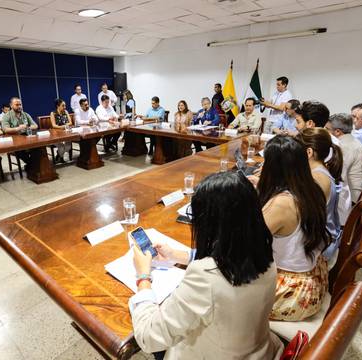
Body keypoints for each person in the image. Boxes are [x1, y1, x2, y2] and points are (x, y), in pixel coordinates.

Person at [130, 171, 283, 359]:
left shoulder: (205, 277)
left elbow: (148, 337)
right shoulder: (263, 252)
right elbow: (228, 258)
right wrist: (177, 255)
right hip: (258, 350)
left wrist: (143, 277)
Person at [255, 135, 329, 321]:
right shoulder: (312, 188)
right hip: (313, 278)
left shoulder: (281, 204)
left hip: (291, 292)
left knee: (217, 288)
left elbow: (244, 243)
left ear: (273, 168)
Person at [296, 128, 343, 265]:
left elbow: (299, 217)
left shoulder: (317, 179)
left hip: (321, 249)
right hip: (326, 238)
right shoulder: (321, 170)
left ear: (309, 152)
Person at [326, 114, 362, 222]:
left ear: (338, 132)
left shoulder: (344, 147)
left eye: (327, 129)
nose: (325, 132)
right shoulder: (351, 141)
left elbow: (338, 178)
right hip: (354, 192)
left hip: (351, 200)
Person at [2, 97, 38, 165]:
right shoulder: (7, 116)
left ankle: (35, 166)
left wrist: (28, 127)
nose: (19, 106)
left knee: (38, 148)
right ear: (11, 105)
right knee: (21, 151)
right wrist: (18, 128)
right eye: (17, 105)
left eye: (20, 104)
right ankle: (32, 166)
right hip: (15, 141)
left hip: (27, 138)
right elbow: (5, 129)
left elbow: (35, 126)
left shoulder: (25, 114)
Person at [50, 98, 73, 163]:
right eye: (63, 106)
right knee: (61, 148)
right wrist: (64, 126)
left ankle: (59, 154)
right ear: (58, 106)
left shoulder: (66, 112)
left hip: (66, 133)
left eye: (65, 105)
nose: (65, 107)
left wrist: (64, 126)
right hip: (56, 135)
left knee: (68, 147)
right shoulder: (53, 113)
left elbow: (70, 122)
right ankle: (60, 157)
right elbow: (54, 125)